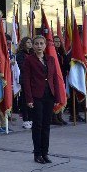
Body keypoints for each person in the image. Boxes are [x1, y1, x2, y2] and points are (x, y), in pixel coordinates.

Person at [21, 36, 59, 164]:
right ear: (33, 46)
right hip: (36, 96)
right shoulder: (29, 60)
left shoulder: (51, 59)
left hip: (49, 95)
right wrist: (29, 99)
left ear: (45, 45)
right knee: (38, 125)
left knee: (46, 125)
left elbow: (55, 79)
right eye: (36, 43)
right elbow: (26, 80)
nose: (38, 46)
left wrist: (57, 96)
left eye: (41, 43)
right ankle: (37, 153)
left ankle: (45, 153)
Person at [15, 37, 33, 129]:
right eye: (28, 42)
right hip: (24, 79)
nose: (30, 44)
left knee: (32, 100)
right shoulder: (20, 54)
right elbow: (22, 67)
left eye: (31, 42)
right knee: (25, 100)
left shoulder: (32, 53)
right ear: (24, 44)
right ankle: (25, 119)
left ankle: (31, 118)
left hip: (33, 80)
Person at [52, 36, 70, 126]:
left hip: (62, 77)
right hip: (54, 78)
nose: (57, 43)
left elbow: (66, 65)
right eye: (55, 41)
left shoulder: (61, 53)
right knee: (56, 98)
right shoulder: (52, 53)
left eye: (59, 41)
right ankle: (54, 117)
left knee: (61, 96)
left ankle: (59, 116)